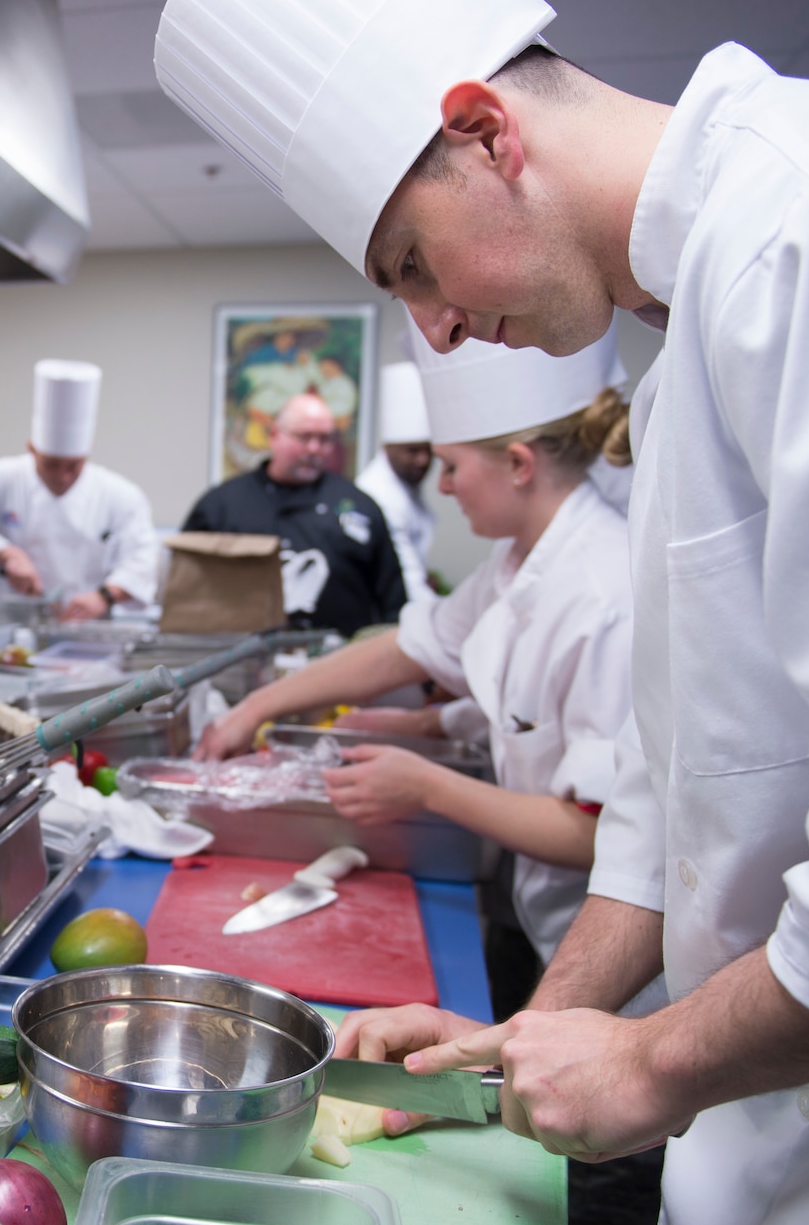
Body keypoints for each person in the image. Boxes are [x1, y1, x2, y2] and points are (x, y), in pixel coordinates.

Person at [158, 0, 809, 1225]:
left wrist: (653, 1064)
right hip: (756, 1195)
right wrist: (532, 1033)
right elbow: (673, 803)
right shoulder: (686, 338)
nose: (439, 328)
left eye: (413, 266)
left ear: (485, 133)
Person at [200, 332, 634, 973]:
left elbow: (603, 834)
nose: (447, 487)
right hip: (540, 910)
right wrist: (255, 709)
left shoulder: (604, 594)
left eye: (452, 468)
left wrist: (427, 786)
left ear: (518, 464)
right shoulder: (516, 561)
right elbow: (408, 648)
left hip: (603, 944)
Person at [0, 358, 159, 621]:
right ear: (32, 449)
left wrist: (105, 596)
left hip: (87, 633)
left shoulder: (121, 495)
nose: (63, 477)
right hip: (6, 629)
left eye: (74, 466)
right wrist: (7, 554)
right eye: (52, 464)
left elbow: (142, 560)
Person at [182, 392, 406, 636]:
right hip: (242, 658)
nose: (314, 449)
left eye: (324, 439)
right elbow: (186, 591)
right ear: (275, 435)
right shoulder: (221, 504)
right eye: (304, 437)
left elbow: (393, 600)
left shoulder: (359, 506)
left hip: (339, 658)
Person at [356, 361, 438, 604]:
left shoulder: (406, 486)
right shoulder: (379, 496)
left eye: (428, 451)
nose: (423, 460)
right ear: (388, 448)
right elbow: (407, 582)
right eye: (412, 451)